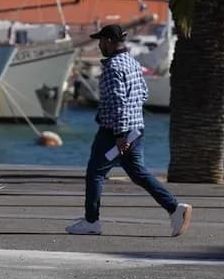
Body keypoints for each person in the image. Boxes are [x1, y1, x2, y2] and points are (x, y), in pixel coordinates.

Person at [66, 24, 193, 237]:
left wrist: (120, 135)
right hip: (136, 129)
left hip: (114, 132)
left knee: (95, 173)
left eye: (100, 41)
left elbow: (118, 102)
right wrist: (129, 127)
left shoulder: (113, 68)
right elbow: (143, 93)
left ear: (108, 41)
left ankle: (91, 221)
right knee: (138, 173)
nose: (99, 45)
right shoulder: (133, 64)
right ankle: (175, 208)